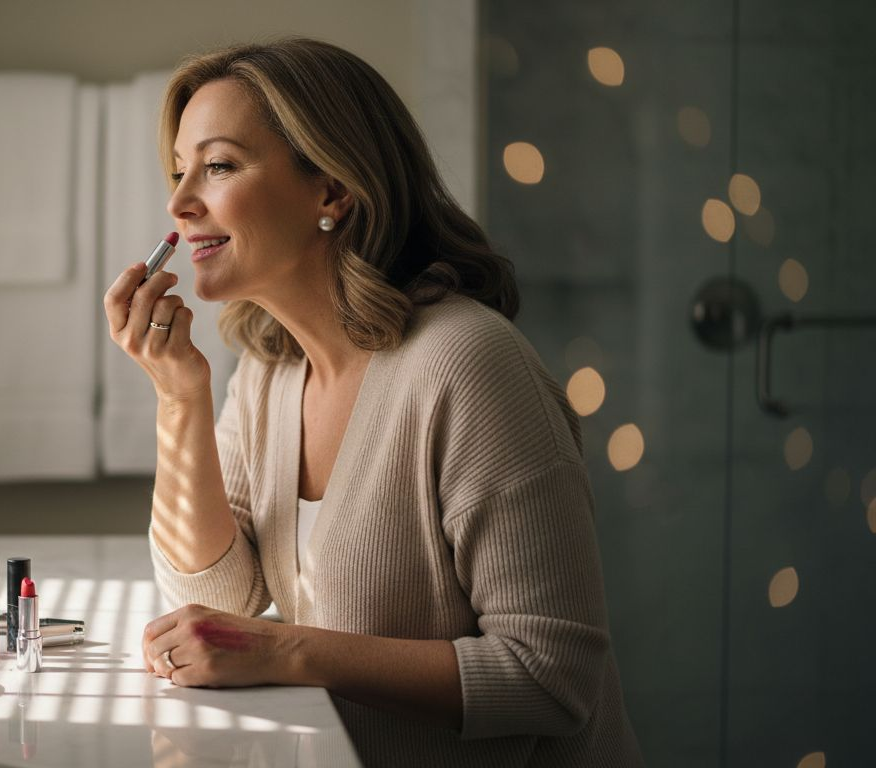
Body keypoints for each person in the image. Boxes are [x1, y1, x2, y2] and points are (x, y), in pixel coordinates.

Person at [103, 37, 643, 767]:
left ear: (332, 190)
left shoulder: (468, 367)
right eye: (178, 171)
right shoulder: (268, 370)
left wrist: (288, 650)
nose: (179, 201)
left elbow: (550, 677)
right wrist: (179, 398)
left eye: (219, 165)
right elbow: (222, 599)